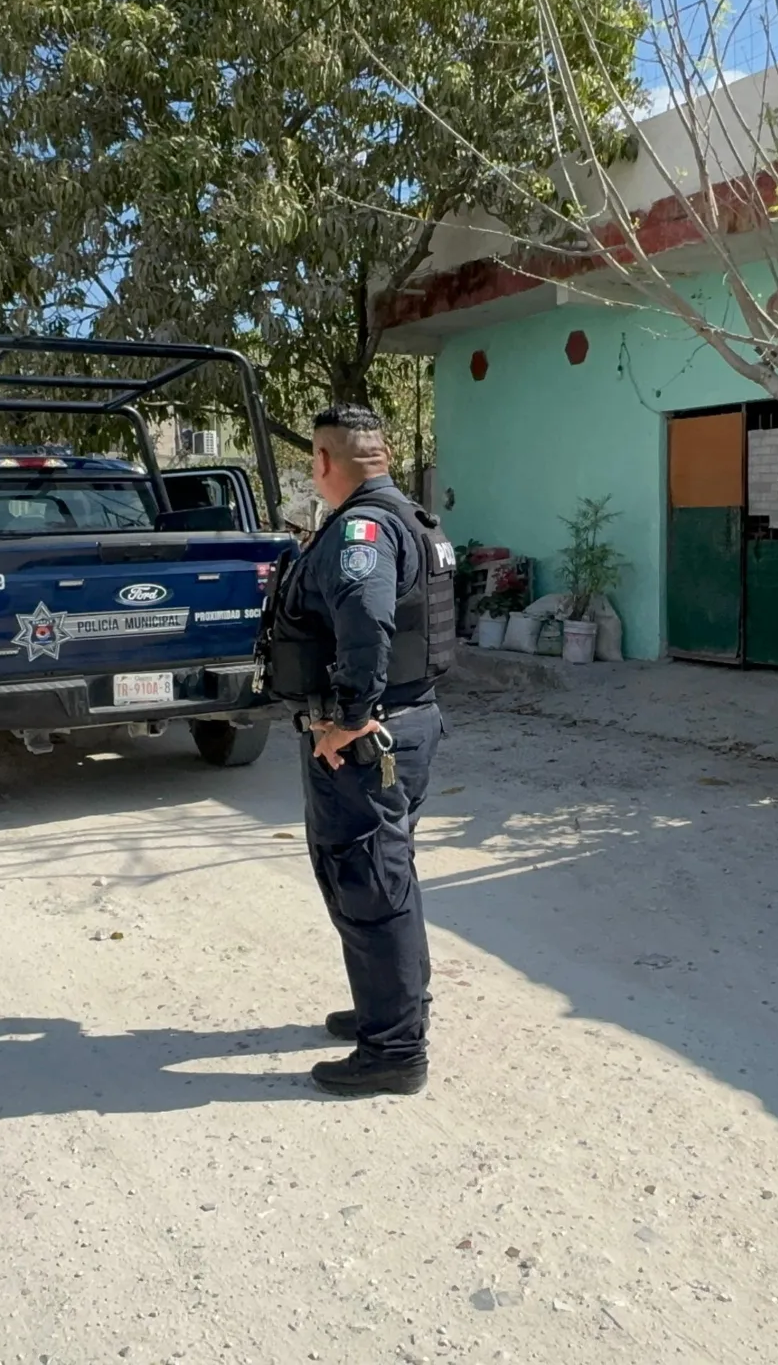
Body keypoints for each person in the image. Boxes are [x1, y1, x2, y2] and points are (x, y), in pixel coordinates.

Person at [275, 403, 452, 1097]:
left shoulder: (362, 529)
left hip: (368, 736)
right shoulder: (413, 517)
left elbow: (367, 619)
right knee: (383, 874)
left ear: (323, 461)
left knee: (370, 883)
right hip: (411, 721)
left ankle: (395, 1050)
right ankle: (390, 1008)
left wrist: (347, 716)